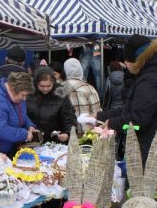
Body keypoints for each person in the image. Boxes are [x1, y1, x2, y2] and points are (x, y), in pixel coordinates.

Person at [97, 34, 157, 164]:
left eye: (126, 59)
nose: (124, 63)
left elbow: (137, 122)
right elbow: (130, 109)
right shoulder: (147, 76)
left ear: (137, 59)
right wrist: (99, 116)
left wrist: (112, 123)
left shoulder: (149, 81)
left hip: (148, 153)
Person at [0, 72, 36, 156]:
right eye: (23, 95)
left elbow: (21, 114)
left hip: (8, 147)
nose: (24, 99)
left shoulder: (17, 97)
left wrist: (29, 125)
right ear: (14, 89)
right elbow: (0, 129)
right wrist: (24, 134)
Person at [26, 67, 76, 143]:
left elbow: (68, 118)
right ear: (36, 83)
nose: (45, 89)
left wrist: (67, 134)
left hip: (54, 140)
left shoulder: (61, 95)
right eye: (42, 86)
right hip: (32, 139)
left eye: (49, 86)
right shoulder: (28, 94)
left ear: (54, 83)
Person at [63, 58, 101, 134]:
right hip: (88, 134)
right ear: (81, 70)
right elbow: (97, 113)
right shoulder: (89, 88)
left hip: (67, 134)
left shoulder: (59, 88)